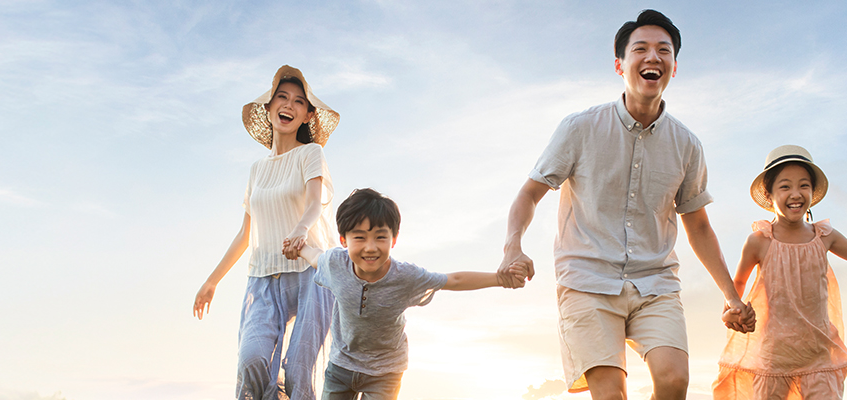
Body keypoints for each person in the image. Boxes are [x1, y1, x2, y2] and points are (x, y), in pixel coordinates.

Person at [495, 9, 756, 400]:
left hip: (656, 282)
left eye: (663, 51)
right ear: (620, 64)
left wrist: (731, 297)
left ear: (674, 67)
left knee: (673, 381)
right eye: (641, 49)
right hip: (586, 279)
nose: (653, 57)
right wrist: (513, 245)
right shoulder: (580, 128)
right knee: (611, 393)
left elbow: (698, 225)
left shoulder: (687, 144)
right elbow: (529, 193)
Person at [286, 188, 525, 400]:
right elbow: (316, 257)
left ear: (394, 239)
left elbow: (453, 279)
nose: (370, 247)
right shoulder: (335, 263)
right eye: (359, 237)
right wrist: (298, 248)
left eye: (380, 237)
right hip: (341, 366)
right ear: (343, 240)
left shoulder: (406, 277)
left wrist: (500, 278)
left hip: (385, 372)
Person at [192, 65, 341, 400]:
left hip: (309, 273)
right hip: (262, 279)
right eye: (282, 98)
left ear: (306, 115)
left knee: (300, 370)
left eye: (299, 102)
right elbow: (246, 233)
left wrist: (301, 230)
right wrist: (212, 281)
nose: (288, 105)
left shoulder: (311, 154)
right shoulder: (256, 169)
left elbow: (315, 203)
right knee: (252, 360)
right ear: (270, 107)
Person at [712, 145, 847, 400]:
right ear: (769, 193)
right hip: (773, 358)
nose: (795, 194)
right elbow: (736, 284)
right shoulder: (759, 241)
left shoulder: (824, 237)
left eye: (803, 185)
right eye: (785, 186)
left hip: (818, 357)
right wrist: (731, 311)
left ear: (812, 192)